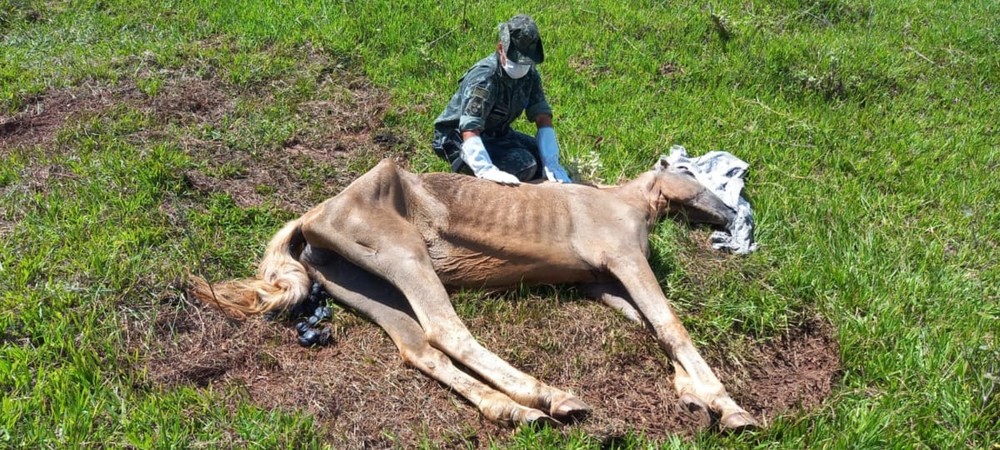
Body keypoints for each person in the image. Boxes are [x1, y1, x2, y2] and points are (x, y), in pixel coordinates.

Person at [432, 14, 571, 185]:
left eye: (526, 62)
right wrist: (485, 168)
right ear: (501, 49)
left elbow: (542, 116)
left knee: (540, 155)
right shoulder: (485, 78)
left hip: (497, 133)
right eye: (516, 60)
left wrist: (551, 161)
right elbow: (470, 127)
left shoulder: (530, 75)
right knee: (525, 165)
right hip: (458, 138)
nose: (521, 67)